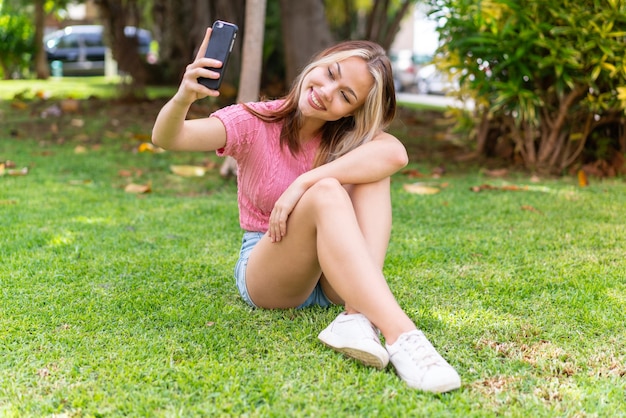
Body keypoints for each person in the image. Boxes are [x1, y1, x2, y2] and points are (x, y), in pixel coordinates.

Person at [152, 27, 461, 394]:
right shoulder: (253, 122)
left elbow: (396, 154)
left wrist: (304, 181)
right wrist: (185, 95)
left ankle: (355, 314)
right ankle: (402, 335)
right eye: (331, 75)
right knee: (328, 190)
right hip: (272, 270)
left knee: (372, 172)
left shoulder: (348, 139)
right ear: (319, 62)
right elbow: (167, 138)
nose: (327, 93)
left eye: (346, 96)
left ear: (354, 110)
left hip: (335, 276)